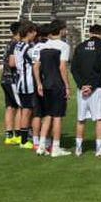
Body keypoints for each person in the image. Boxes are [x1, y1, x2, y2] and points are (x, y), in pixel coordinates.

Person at [33, 19, 71, 157]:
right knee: (57, 116)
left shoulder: (42, 46)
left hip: (46, 84)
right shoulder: (63, 46)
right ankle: (55, 148)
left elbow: (36, 66)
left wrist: (39, 83)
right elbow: (62, 67)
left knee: (48, 115)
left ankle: (41, 146)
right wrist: (67, 86)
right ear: (61, 30)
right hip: (57, 85)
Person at [71, 24, 101, 157]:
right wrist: (92, 86)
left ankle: (78, 149)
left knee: (81, 119)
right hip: (97, 88)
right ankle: (99, 149)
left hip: (82, 89)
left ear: (89, 33)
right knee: (99, 118)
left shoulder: (80, 47)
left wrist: (82, 85)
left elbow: (74, 69)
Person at [12, 20, 38, 149]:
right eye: (33, 32)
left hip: (21, 81)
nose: (35, 34)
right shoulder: (27, 48)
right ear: (28, 32)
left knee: (25, 110)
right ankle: (24, 140)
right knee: (27, 111)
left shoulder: (18, 45)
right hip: (27, 83)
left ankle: (25, 137)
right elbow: (35, 63)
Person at [0, 21, 22, 145]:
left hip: (4, 78)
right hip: (12, 79)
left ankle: (9, 135)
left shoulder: (9, 43)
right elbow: (12, 63)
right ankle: (18, 135)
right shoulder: (16, 44)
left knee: (10, 107)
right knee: (20, 106)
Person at [29, 24, 49, 152]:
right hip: (48, 81)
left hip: (35, 82)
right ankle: (47, 140)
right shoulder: (50, 46)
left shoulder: (35, 47)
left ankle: (36, 141)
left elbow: (34, 65)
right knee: (48, 114)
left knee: (37, 113)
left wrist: (37, 83)